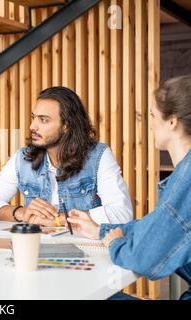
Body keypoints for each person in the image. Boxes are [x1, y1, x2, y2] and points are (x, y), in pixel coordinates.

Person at [67, 75, 191, 300]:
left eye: (153, 115)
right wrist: (101, 230)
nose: (150, 123)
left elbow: (144, 257)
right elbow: (157, 227)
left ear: (172, 122)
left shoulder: (186, 180)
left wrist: (114, 241)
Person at [0, 86, 133, 227]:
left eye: (43, 120)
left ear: (66, 126)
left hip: (84, 250)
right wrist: (21, 213)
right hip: (36, 247)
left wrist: (59, 219)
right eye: (34, 117)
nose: (32, 126)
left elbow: (122, 213)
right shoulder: (23, 158)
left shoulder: (98, 156)